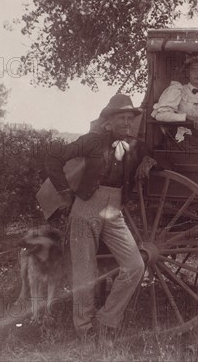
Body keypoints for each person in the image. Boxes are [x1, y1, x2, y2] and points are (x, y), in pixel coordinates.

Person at [45, 94, 157, 340]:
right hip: (85, 209)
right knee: (85, 272)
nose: (127, 123)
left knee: (135, 265)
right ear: (110, 120)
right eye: (122, 118)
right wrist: (65, 193)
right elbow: (55, 156)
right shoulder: (93, 140)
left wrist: (149, 161)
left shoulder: (136, 145)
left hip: (114, 211)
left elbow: (160, 156)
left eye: (130, 118)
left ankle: (107, 318)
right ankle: (84, 329)